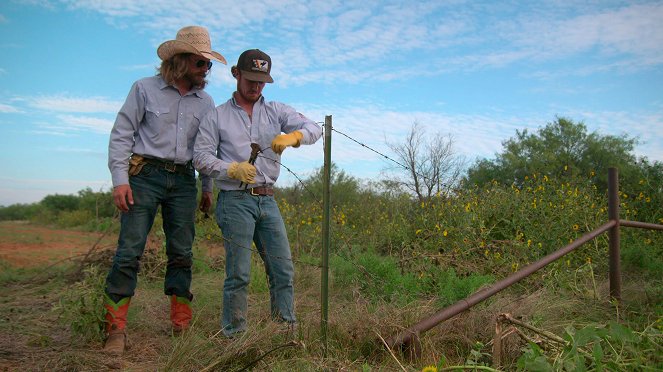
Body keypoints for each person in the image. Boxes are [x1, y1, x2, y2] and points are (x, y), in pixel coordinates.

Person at [104, 25, 226, 355]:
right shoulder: (144, 89)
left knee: (182, 251)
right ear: (181, 61)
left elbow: (207, 147)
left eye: (208, 65)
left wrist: (208, 188)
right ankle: (116, 330)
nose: (206, 71)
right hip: (144, 175)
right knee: (130, 249)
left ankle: (180, 324)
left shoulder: (206, 102)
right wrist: (120, 180)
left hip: (185, 180)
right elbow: (121, 136)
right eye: (201, 63)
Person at [193, 49, 322, 338]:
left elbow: (314, 128)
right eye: (251, 79)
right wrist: (231, 169)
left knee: (283, 270)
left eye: (262, 81)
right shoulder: (217, 116)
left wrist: (295, 137)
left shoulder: (276, 111)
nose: (256, 86)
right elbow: (200, 157)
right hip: (235, 199)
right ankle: (234, 336)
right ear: (236, 74)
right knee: (239, 274)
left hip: (268, 198)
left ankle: (285, 333)